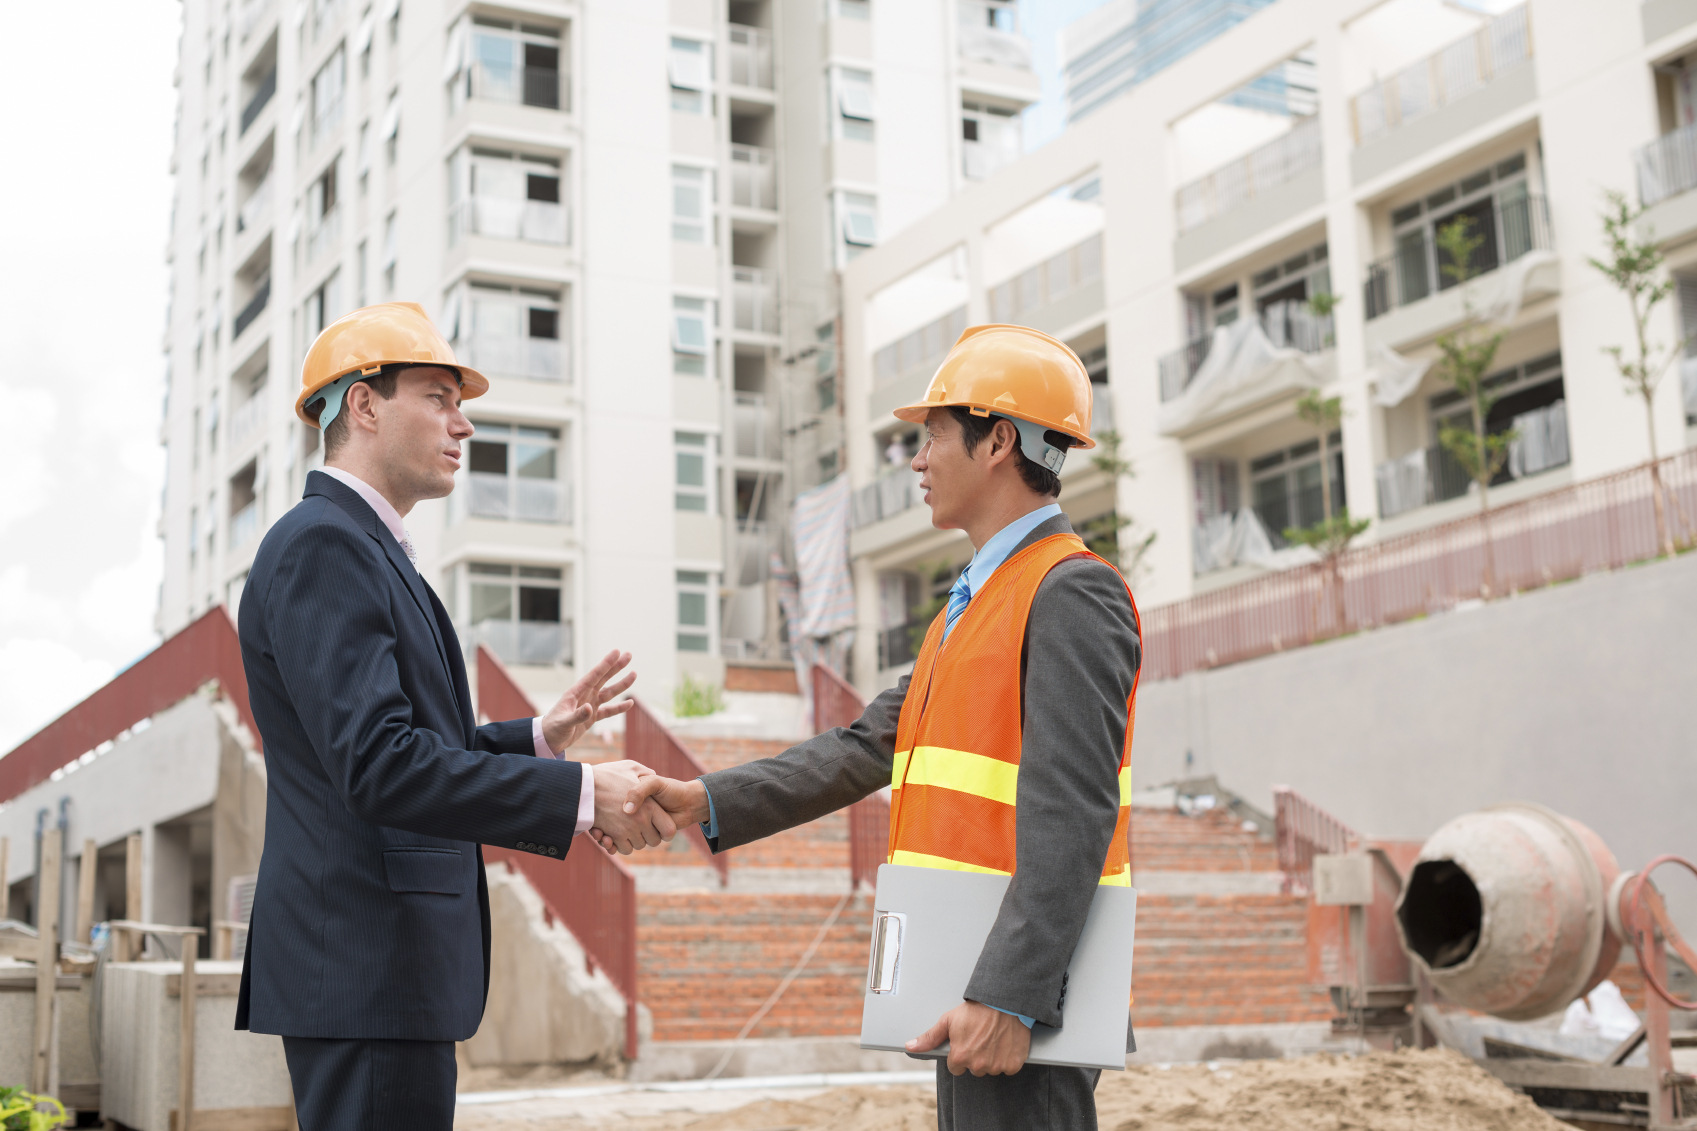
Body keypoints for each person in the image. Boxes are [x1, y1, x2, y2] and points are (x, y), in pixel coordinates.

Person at [612, 325, 1143, 1130]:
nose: (917, 461)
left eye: (930, 437)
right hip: (970, 975)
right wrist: (701, 798)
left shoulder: (1068, 592)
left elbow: (1074, 809)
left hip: (1017, 994)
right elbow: (864, 746)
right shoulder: (970, 607)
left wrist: (1011, 993)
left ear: (998, 441)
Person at [235, 302, 675, 1130]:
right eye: (439, 397)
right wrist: (580, 792)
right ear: (363, 405)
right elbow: (380, 765)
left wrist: (541, 740)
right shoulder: (323, 545)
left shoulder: (361, 546)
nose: (462, 423)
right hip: (367, 969)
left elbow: (404, 749)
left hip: (378, 975)